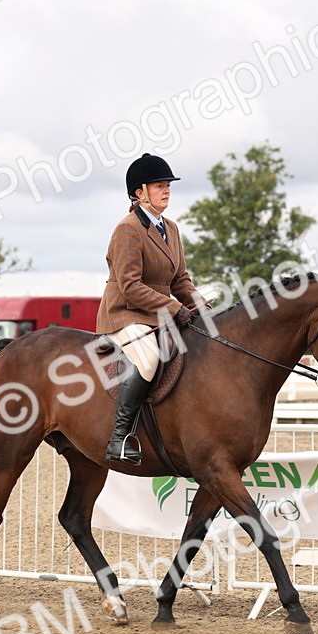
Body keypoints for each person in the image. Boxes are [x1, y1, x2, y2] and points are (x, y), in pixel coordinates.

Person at [97, 152, 205, 465]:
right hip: (125, 313)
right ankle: (119, 439)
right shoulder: (127, 230)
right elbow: (130, 286)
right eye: (159, 185)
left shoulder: (170, 228)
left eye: (168, 185)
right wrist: (173, 307)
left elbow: (181, 280)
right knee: (147, 359)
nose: (166, 190)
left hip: (158, 313)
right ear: (139, 192)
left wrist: (201, 306)